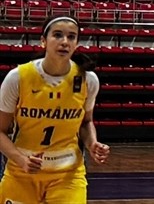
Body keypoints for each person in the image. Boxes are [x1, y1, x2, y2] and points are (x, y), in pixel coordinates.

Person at [0, 16, 110, 204]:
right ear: (43, 40)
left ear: (77, 43)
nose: (64, 42)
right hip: (22, 171)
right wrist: (21, 160)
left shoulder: (88, 80)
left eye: (71, 37)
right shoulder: (18, 77)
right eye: (57, 35)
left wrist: (92, 143)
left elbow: (86, 121)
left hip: (67, 173)